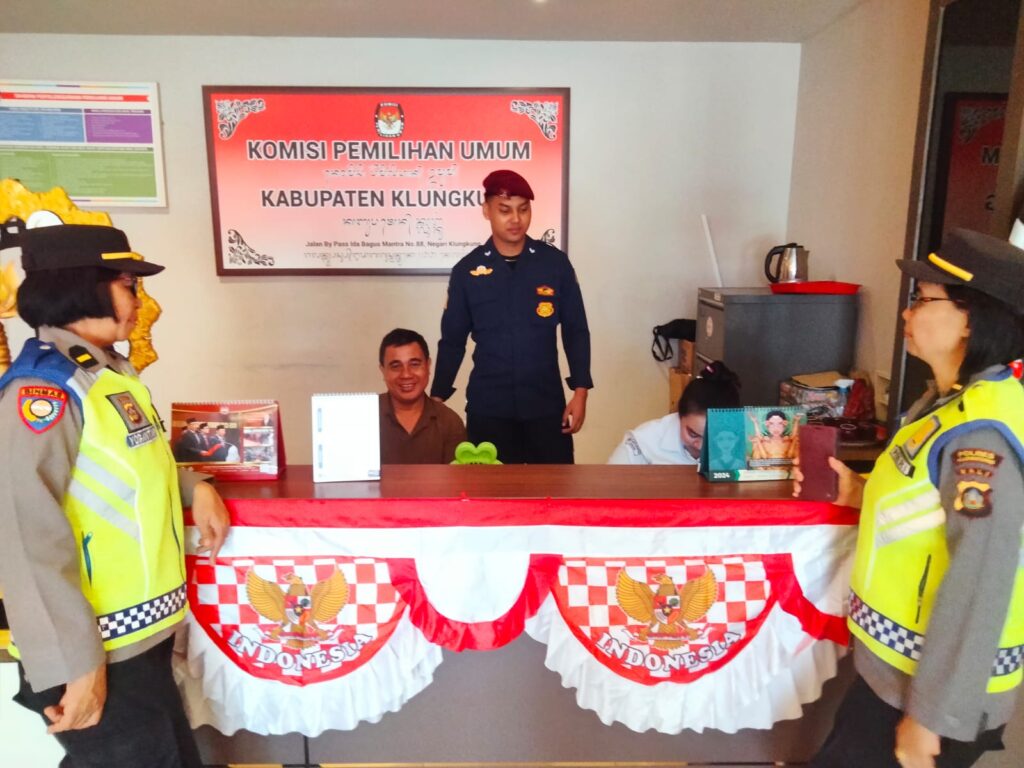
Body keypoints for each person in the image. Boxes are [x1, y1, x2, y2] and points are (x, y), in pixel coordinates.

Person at [0, 221, 231, 767]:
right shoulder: (43, 392)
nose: (140, 300)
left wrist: (196, 487)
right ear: (83, 287)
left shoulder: (107, 375)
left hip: (136, 641)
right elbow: (26, 539)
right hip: (94, 650)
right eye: (129, 285)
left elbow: (133, 464)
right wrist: (77, 665)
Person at [797, 229, 1024, 768]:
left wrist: (931, 719)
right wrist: (859, 493)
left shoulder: (981, 435)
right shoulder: (944, 404)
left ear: (971, 320)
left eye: (923, 299)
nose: (906, 311)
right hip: (897, 676)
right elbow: (924, 510)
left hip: (932, 694)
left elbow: (981, 577)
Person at [430, 170, 592, 464]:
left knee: (555, 489)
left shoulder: (554, 264)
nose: (516, 219)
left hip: (546, 406)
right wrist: (437, 398)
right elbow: (452, 341)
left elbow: (576, 330)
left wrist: (580, 392)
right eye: (505, 210)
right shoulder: (467, 271)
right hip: (489, 408)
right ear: (486, 210)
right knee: (491, 491)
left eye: (523, 209)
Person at [608, 360, 741, 464]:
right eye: (693, 434)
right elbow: (609, 486)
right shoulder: (644, 443)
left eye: (714, 436)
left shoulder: (745, 443)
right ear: (680, 415)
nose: (701, 446)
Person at [379, 328, 466, 464]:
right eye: (396, 366)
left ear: (428, 365)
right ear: (383, 371)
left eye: (414, 364)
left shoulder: (450, 422)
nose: (406, 374)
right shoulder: (361, 417)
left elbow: (457, 477)